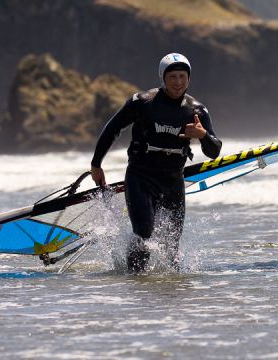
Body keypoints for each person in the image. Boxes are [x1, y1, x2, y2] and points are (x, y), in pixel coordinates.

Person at [90, 52, 222, 272]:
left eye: (182, 76)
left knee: (172, 243)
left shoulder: (196, 111)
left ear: (188, 78)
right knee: (143, 233)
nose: (178, 82)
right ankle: (135, 279)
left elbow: (214, 151)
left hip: (172, 182)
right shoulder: (142, 102)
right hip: (140, 178)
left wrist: (203, 136)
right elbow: (112, 129)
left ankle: (167, 285)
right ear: (163, 78)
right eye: (173, 77)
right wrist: (96, 164)